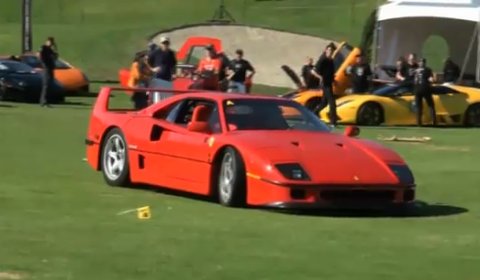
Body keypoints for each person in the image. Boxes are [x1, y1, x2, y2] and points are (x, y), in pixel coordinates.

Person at [311, 44, 337, 127]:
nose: (330, 52)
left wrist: (334, 81)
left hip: (329, 83)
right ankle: (333, 122)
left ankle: (312, 116)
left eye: (332, 51)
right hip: (325, 84)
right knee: (332, 102)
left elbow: (331, 73)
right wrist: (320, 77)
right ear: (326, 50)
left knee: (324, 103)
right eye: (329, 50)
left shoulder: (331, 61)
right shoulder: (323, 60)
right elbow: (313, 71)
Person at [147, 36, 177, 103]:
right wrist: (152, 69)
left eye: (166, 43)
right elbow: (147, 62)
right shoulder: (155, 53)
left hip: (167, 79)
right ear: (161, 44)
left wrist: (174, 73)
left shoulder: (171, 53)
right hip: (157, 78)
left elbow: (173, 65)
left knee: (167, 99)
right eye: (164, 43)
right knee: (157, 99)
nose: (165, 44)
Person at [413, 58, 436, 126]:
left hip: (417, 88)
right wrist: (433, 79)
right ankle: (433, 121)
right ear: (425, 63)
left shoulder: (416, 70)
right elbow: (431, 79)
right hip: (425, 88)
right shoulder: (428, 70)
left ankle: (419, 122)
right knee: (431, 104)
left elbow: (415, 80)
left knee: (419, 106)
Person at [38, 37, 58, 107]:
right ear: (47, 41)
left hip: (51, 68)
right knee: (46, 85)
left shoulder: (50, 50)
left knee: (49, 85)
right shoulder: (44, 47)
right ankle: (43, 101)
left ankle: (46, 100)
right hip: (46, 68)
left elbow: (55, 57)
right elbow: (40, 55)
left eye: (52, 43)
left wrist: (55, 49)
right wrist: (43, 63)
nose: (51, 44)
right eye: (50, 42)